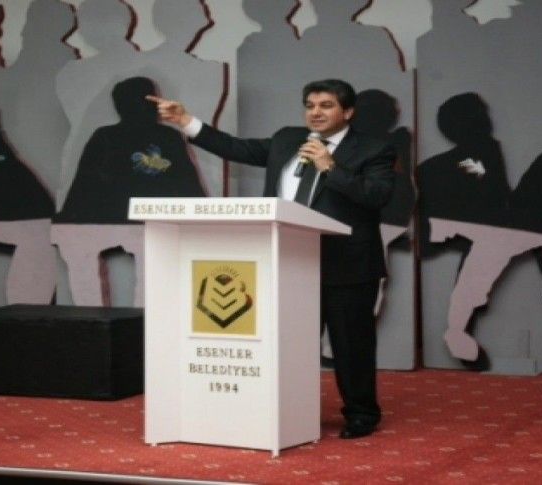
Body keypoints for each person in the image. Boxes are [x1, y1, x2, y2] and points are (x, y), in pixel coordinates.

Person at [148, 79, 395, 439]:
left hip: (346, 266)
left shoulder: (374, 149)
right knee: (288, 345)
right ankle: (288, 411)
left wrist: (330, 167)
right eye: (310, 105)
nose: (315, 113)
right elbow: (236, 147)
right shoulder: (287, 139)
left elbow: (377, 195)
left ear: (348, 112)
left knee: (350, 346)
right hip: (288, 262)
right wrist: (185, 120)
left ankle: (361, 414)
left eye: (326, 106)